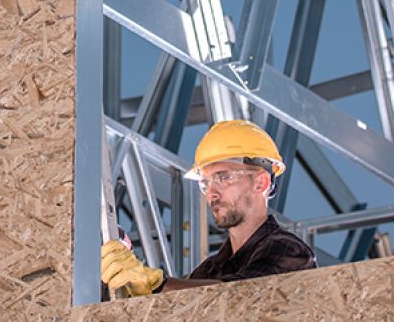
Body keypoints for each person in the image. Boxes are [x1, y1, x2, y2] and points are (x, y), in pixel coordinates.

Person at [100, 119, 316, 296]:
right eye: (206, 183)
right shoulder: (210, 270)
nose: (212, 193)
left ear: (261, 183)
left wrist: (154, 284)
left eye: (224, 177)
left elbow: (242, 297)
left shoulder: (289, 253)